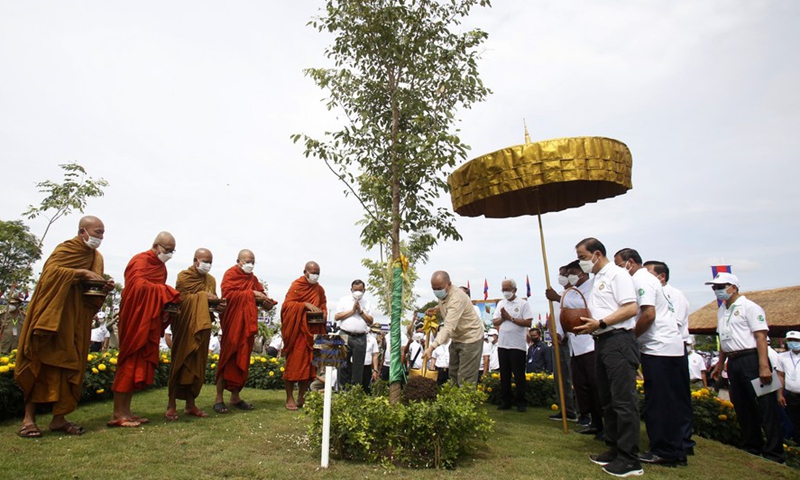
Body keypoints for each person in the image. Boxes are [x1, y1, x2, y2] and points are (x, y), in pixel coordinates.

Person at [15, 216, 114, 437]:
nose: (101, 237)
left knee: (70, 367)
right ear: (82, 232)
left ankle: (59, 419)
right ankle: (28, 418)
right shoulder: (66, 249)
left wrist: (103, 288)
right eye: (97, 232)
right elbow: (49, 275)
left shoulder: (96, 257)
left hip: (75, 321)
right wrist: (79, 273)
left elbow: (89, 295)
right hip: (52, 319)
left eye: (103, 233)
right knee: (39, 363)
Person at [573, 238, 642, 477]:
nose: (582, 263)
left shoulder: (618, 275)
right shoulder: (597, 279)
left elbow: (631, 308)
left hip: (619, 341)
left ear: (597, 254)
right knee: (608, 399)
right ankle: (614, 448)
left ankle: (630, 458)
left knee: (623, 400)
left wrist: (601, 322)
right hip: (601, 341)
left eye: (583, 257)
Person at [615, 249, 687, 467]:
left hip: (659, 348)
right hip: (668, 347)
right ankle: (677, 448)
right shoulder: (648, 279)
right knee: (672, 402)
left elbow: (648, 314)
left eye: (619, 264)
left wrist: (632, 337)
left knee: (660, 403)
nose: (617, 269)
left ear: (631, 263)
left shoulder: (641, 279)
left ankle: (664, 451)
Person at [708, 272, 784, 463]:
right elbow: (724, 339)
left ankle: (775, 452)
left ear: (733, 287)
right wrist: (720, 363)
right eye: (715, 287)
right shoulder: (722, 310)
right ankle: (752, 445)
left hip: (752, 358)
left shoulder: (750, 307)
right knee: (742, 405)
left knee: (765, 405)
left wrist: (764, 366)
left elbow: (760, 337)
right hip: (733, 361)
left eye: (721, 286)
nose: (717, 290)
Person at [110, 232, 181, 428]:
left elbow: (155, 291)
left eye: (172, 251)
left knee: (137, 366)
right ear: (157, 246)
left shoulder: (161, 267)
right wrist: (164, 292)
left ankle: (127, 411)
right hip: (135, 319)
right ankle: (117, 413)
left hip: (148, 321)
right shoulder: (139, 261)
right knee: (128, 363)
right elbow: (136, 288)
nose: (169, 254)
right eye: (167, 250)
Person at [643, 260, 695, 457]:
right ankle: (673, 441)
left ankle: (682, 440)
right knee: (663, 398)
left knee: (676, 398)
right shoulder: (654, 292)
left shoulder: (674, 295)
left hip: (671, 348)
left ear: (661, 276)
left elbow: (673, 323)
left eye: (648, 273)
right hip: (659, 348)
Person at [214, 249, 275, 413]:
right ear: (238, 261)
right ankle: (219, 398)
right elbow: (228, 296)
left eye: (253, 261)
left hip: (246, 326)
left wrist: (265, 302)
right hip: (233, 325)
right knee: (227, 359)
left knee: (242, 360)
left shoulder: (253, 279)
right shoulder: (230, 274)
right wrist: (251, 294)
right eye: (247, 261)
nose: (250, 264)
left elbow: (260, 296)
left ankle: (235, 396)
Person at [166, 248, 219, 421]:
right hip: (186, 327)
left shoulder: (211, 280)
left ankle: (190, 404)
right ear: (196, 260)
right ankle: (171, 404)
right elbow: (182, 300)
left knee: (197, 366)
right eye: (205, 261)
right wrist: (204, 296)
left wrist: (218, 304)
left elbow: (213, 301)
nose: (208, 265)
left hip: (202, 327)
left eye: (210, 261)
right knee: (180, 362)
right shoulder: (184, 277)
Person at [557, 260, 603, 436]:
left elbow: (587, 307)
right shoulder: (569, 293)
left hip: (590, 344)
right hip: (575, 346)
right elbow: (563, 314)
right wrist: (560, 334)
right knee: (581, 385)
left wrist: (558, 298)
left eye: (571, 272)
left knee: (595, 385)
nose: (569, 276)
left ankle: (604, 423)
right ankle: (593, 420)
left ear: (581, 272)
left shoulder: (593, 287)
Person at [423, 271, 484, 386]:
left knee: (465, 379)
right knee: (453, 376)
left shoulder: (457, 298)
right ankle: (454, 402)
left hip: (471, 339)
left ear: (449, 284)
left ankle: (465, 403)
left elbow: (448, 327)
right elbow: (446, 306)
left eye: (439, 288)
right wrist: (436, 309)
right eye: (434, 289)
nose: (437, 292)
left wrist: (432, 347)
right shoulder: (444, 295)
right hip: (457, 339)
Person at [281, 261, 328, 410]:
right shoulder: (296, 285)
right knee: (293, 366)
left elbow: (323, 305)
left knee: (309, 368)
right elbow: (286, 306)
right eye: (313, 272)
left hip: (313, 333)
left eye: (318, 273)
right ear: (305, 272)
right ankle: (289, 397)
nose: (315, 275)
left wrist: (323, 313)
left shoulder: (319, 289)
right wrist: (304, 305)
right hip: (298, 333)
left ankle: (301, 396)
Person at [545, 265, 579, 423]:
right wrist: (552, 333)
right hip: (557, 342)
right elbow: (552, 317)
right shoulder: (558, 295)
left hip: (571, 341)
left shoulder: (576, 293)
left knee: (573, 377)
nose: (563, 277)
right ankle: (565, 409)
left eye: (566, 274)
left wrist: (564, 333)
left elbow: (574, 313)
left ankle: (581, 410)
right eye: (560, 275)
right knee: (560, 377)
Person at [493, 279, 533, 412]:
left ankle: (521, 402)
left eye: (507, 289)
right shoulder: (500, 303)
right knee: (504, 375)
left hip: (517, 345)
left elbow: (528, 323)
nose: (505, 292)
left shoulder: (523, 304)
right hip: (503, 344)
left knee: (519, 375)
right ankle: (506, 401)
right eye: (503, 289)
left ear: (514, 290)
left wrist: (510, 318)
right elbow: (495, 321)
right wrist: (504, 317)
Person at [334, 279, 374, 388]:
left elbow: (370, 321)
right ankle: (342, 390)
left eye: (360, 290)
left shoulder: (367, 303)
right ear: (351, 289)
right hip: (345, 334)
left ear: (364, 290)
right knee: (342, 365)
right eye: (355, 290)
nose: (358, 292)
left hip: (360, 337)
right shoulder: (344, 300)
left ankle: (355, 391)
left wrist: (360, 312)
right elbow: (337, 316)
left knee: (358, 366)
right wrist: (352, 311)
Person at [777, 331, 800, 443]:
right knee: (792, 422)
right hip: (790, 395)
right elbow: (780, 376)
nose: (793, 343)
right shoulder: (782, 357)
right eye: (790, 340)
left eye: (796, 340)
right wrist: (779, 394)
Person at [361, 323, 381, 392]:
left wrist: (375, 370)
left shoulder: (372, 339)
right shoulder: (354, 337)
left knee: (366, 388)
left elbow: (375, 355)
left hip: (367, 367)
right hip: (355, 366)